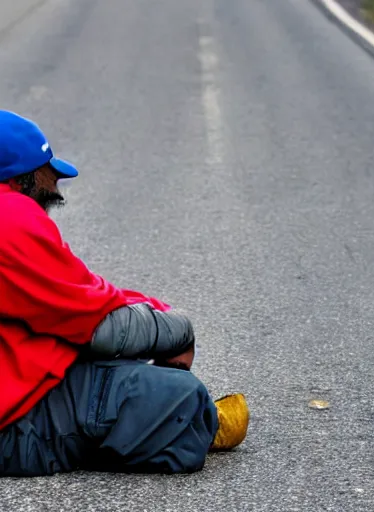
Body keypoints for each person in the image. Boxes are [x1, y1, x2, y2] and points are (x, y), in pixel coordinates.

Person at [0, 110, 249, 477]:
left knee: (116, 368)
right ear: (22, 177)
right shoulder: (12, 217)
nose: (55, 186)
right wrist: (179, 330)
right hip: (13, 429)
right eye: (47, 172)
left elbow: (81, 300)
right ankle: (194, 424)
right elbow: (99, 326)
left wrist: (149, 311)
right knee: (181, 397)